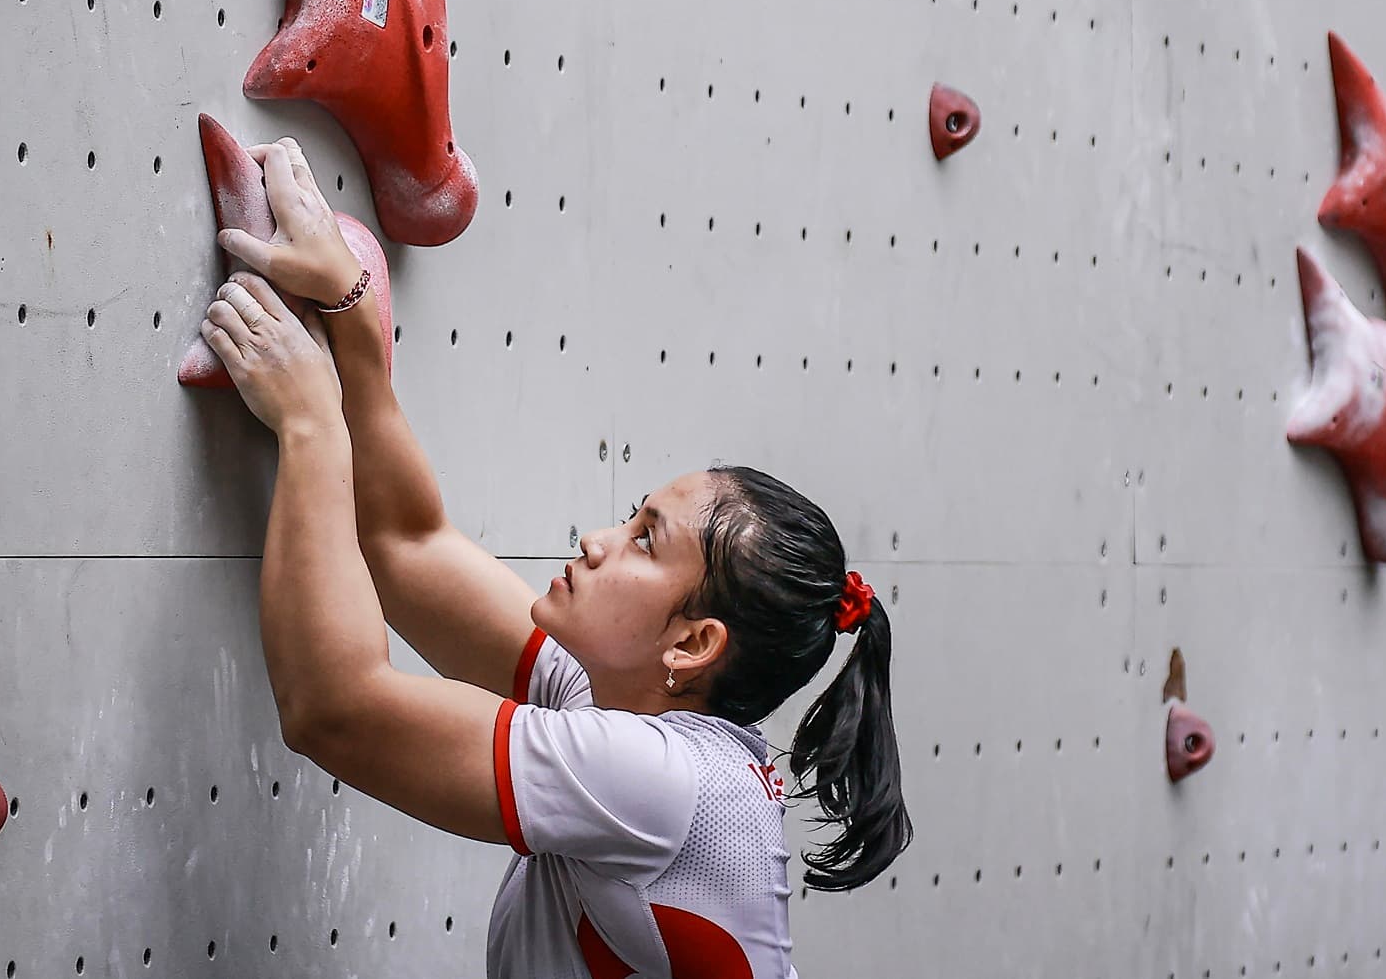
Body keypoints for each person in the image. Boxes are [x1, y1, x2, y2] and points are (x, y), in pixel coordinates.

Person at [197, 136, 909, 978]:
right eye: (631, 517)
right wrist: (352, 313)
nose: (598, 541)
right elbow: (409, 548)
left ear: (692, 644)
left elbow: (336, 709)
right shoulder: (624, 703)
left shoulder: (657, 780)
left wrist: (312, 422)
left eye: (645, 541)